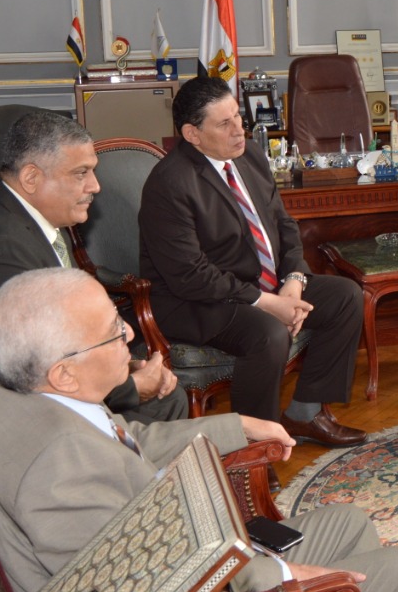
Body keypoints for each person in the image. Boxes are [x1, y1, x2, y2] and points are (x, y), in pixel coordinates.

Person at [0, 268, 398, 592]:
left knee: (350, 523)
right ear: (65, 373)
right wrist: (276, 575)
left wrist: (235, 424)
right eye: (113, 334)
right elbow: (145, 586)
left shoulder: (25, 388)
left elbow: (127, 441)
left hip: (180, 552)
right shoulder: (58, 467)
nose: (131, 333)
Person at [0, 110, 184, 423]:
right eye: (80, 173)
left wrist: (118, 367)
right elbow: (38, 371)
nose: (95, 186)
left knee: (167, 397)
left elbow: (60, 338)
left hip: (24, 387)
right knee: (165, 403)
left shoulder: (18, 214)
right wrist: (131, 386)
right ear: (32, 178)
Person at [139, 76, 366, 447]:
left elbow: (284, 225)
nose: (239, 131)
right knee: (267, 332)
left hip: (261, 284)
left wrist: (293, 279)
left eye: (238, 118)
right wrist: (267, 302)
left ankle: (304, 414)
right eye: (224, 124)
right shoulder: (169, 184)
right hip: (196, 302)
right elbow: (189, 276)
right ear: (192, 134)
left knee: (345, 296)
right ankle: (253, 445)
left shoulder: (250, 156)